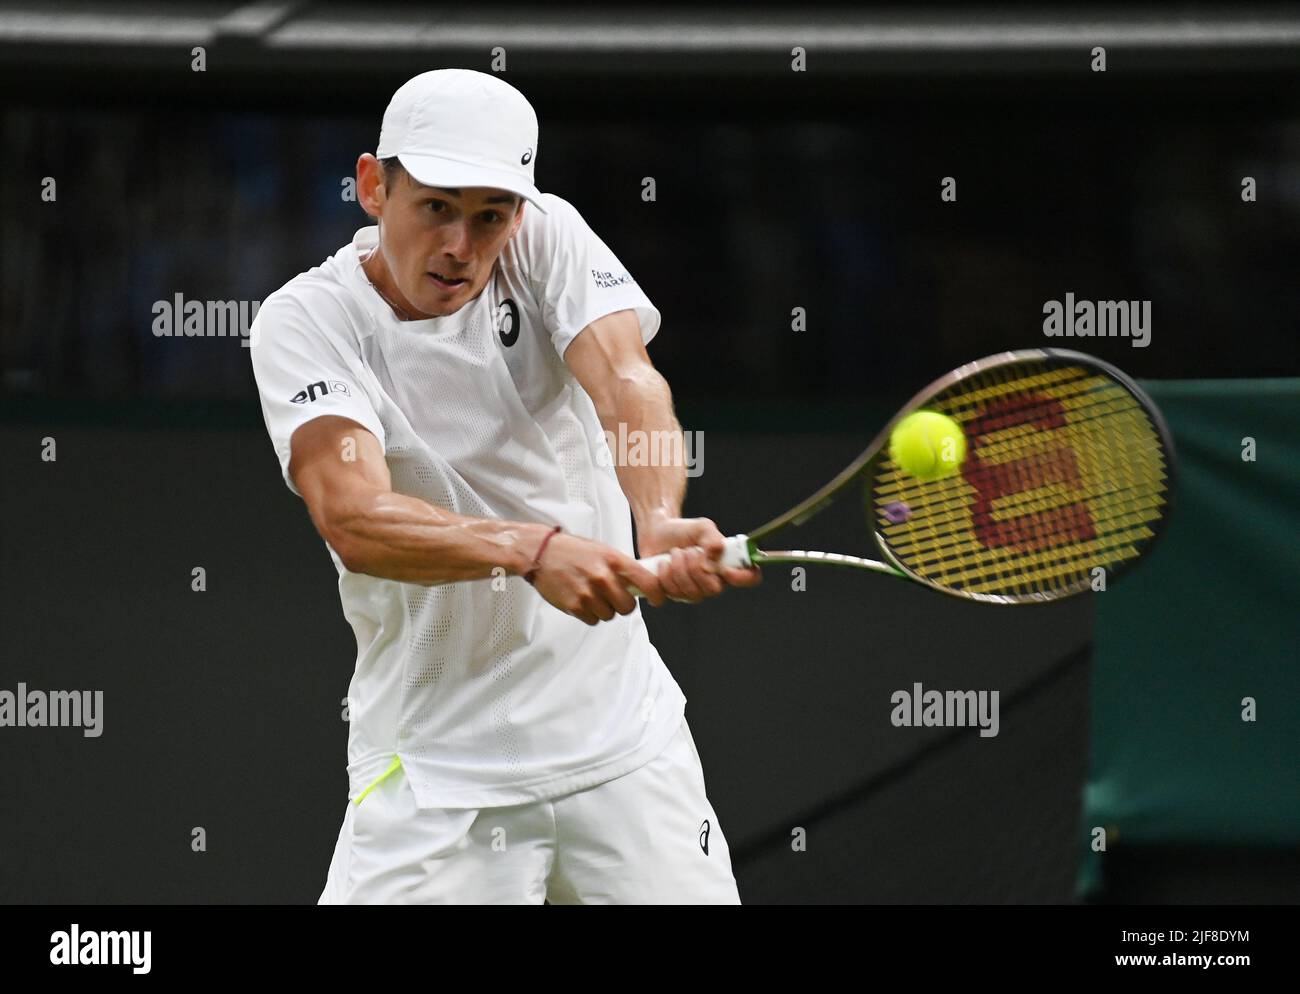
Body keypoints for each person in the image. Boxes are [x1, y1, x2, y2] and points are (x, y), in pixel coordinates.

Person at [248, 68, 759, 904]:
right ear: (375, 186)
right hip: (437, 774)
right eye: (437, 208)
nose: (462, 244)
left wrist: (658, 518)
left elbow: (627, 379)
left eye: (491, 215)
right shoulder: (305, 323)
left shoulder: (547, 236)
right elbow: (353, 517)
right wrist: (534, 551)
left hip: (624, 753)